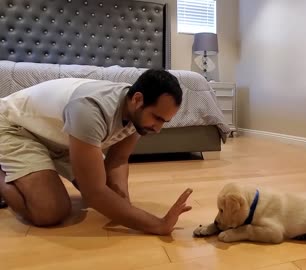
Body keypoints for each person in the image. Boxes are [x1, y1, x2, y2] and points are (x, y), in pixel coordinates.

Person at [0, 69, 192, 235]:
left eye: (164, 122)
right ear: (137, 99)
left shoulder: (136, 111)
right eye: (156, 118)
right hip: (17, 127)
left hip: (62, 137)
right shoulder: (90, 110)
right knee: (50, 211)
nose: (157, 129)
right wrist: (158, 224)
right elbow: (95, 193)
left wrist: (123, 202)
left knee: (113, 196)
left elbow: (119, 159)